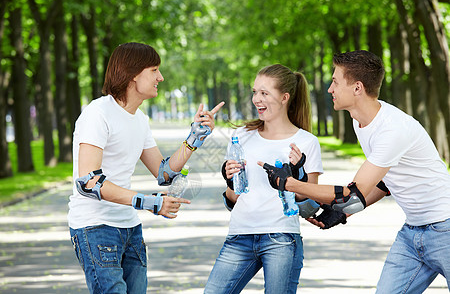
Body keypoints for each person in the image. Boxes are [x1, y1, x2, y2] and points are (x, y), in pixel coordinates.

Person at [259, 50, 450, 293]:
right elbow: (383, 183)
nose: (330, 89)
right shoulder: (359, 121)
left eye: (335, 82)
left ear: (357, 88)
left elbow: (352, 193)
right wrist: (341, 212)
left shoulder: (393, 129)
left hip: (445, 229)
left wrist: (290, 184)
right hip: (413, 234)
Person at [68, 42, 224, 294]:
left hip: (130, 228)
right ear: (133, 74)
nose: (160, 77)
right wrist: (148, 202)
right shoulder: (97, 113)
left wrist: (195, 138)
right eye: (154, 70)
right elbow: (89, 182)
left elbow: (163, 173)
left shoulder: (140, 119)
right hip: (95, 227)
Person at [204, 64, 324, 294]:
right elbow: (233, 199)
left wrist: (296, 175)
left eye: (264, 93)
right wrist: (230, 183)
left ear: (284, 98)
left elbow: (309, 204)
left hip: (281, 238)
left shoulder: (307, 142)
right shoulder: (241, 137)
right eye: (255, 92)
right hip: (240, 235)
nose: (256, 99)